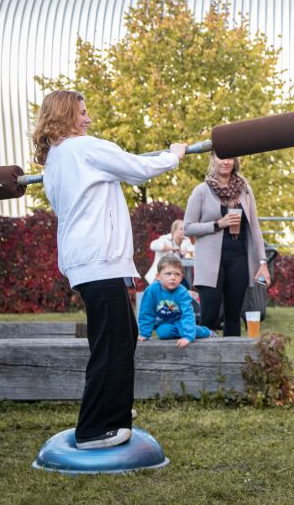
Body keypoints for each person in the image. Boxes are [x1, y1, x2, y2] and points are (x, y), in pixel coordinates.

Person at [32, 89, 187, 450]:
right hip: (97, 261)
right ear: (66, 115)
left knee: (124, 335)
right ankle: (93, 428)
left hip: (90, 263)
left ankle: (114, 410)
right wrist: (174, 156)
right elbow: (138, 169)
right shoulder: (84, 148)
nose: (87, 119)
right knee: (111, 346)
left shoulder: (56, 159)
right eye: (82, 113)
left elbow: (118, 168)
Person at [184, 153, 270, 337]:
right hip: (209, 262)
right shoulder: (202, 190)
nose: (226, 161)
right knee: (210, 316)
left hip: (239, 259)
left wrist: (262, 262)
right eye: (221, 157)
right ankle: (205, 363)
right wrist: (218, 224)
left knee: (233, 316)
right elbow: (188, 228)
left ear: (235, 161)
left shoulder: (245, 189)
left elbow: (254, 226)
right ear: (212, 159)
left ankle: (231, 364)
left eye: (230, 158)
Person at [138, 255, 214, 347]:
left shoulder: (182, 292)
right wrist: (145, 334)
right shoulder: (152, 290)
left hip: (180, 320)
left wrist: (188, 336)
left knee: (184, 330)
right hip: (163, 322)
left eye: (177, 274)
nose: (173, 277)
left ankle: (206, 331)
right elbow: (146, 312)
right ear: (158, 276)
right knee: (163, 333)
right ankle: (186, 331)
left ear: (181, 277)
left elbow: (187, 314)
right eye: (168, 273)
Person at [144, 219, 194, 285]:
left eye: (184, 229)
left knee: (186, 287)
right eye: (181, 229)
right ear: (174, 230)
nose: (183, 231)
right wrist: (171, 248)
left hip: (176, 276)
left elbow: (194, 254)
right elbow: (153, 245)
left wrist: (185, 254)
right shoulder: (165, 238)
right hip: (161, 276)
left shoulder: (186, 240)